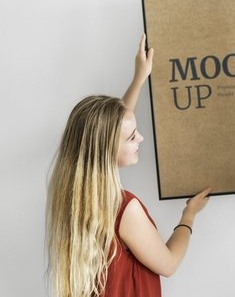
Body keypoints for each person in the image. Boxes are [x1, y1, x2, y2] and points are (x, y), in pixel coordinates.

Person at [46, 34, 211, 297]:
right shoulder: (124, 209)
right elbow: (168, 264)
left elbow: (112, 129)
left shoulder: (73, 196)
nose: (140, 138)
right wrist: (189, 216)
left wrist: (140, 77)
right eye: (133, 137)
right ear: (108, 149)